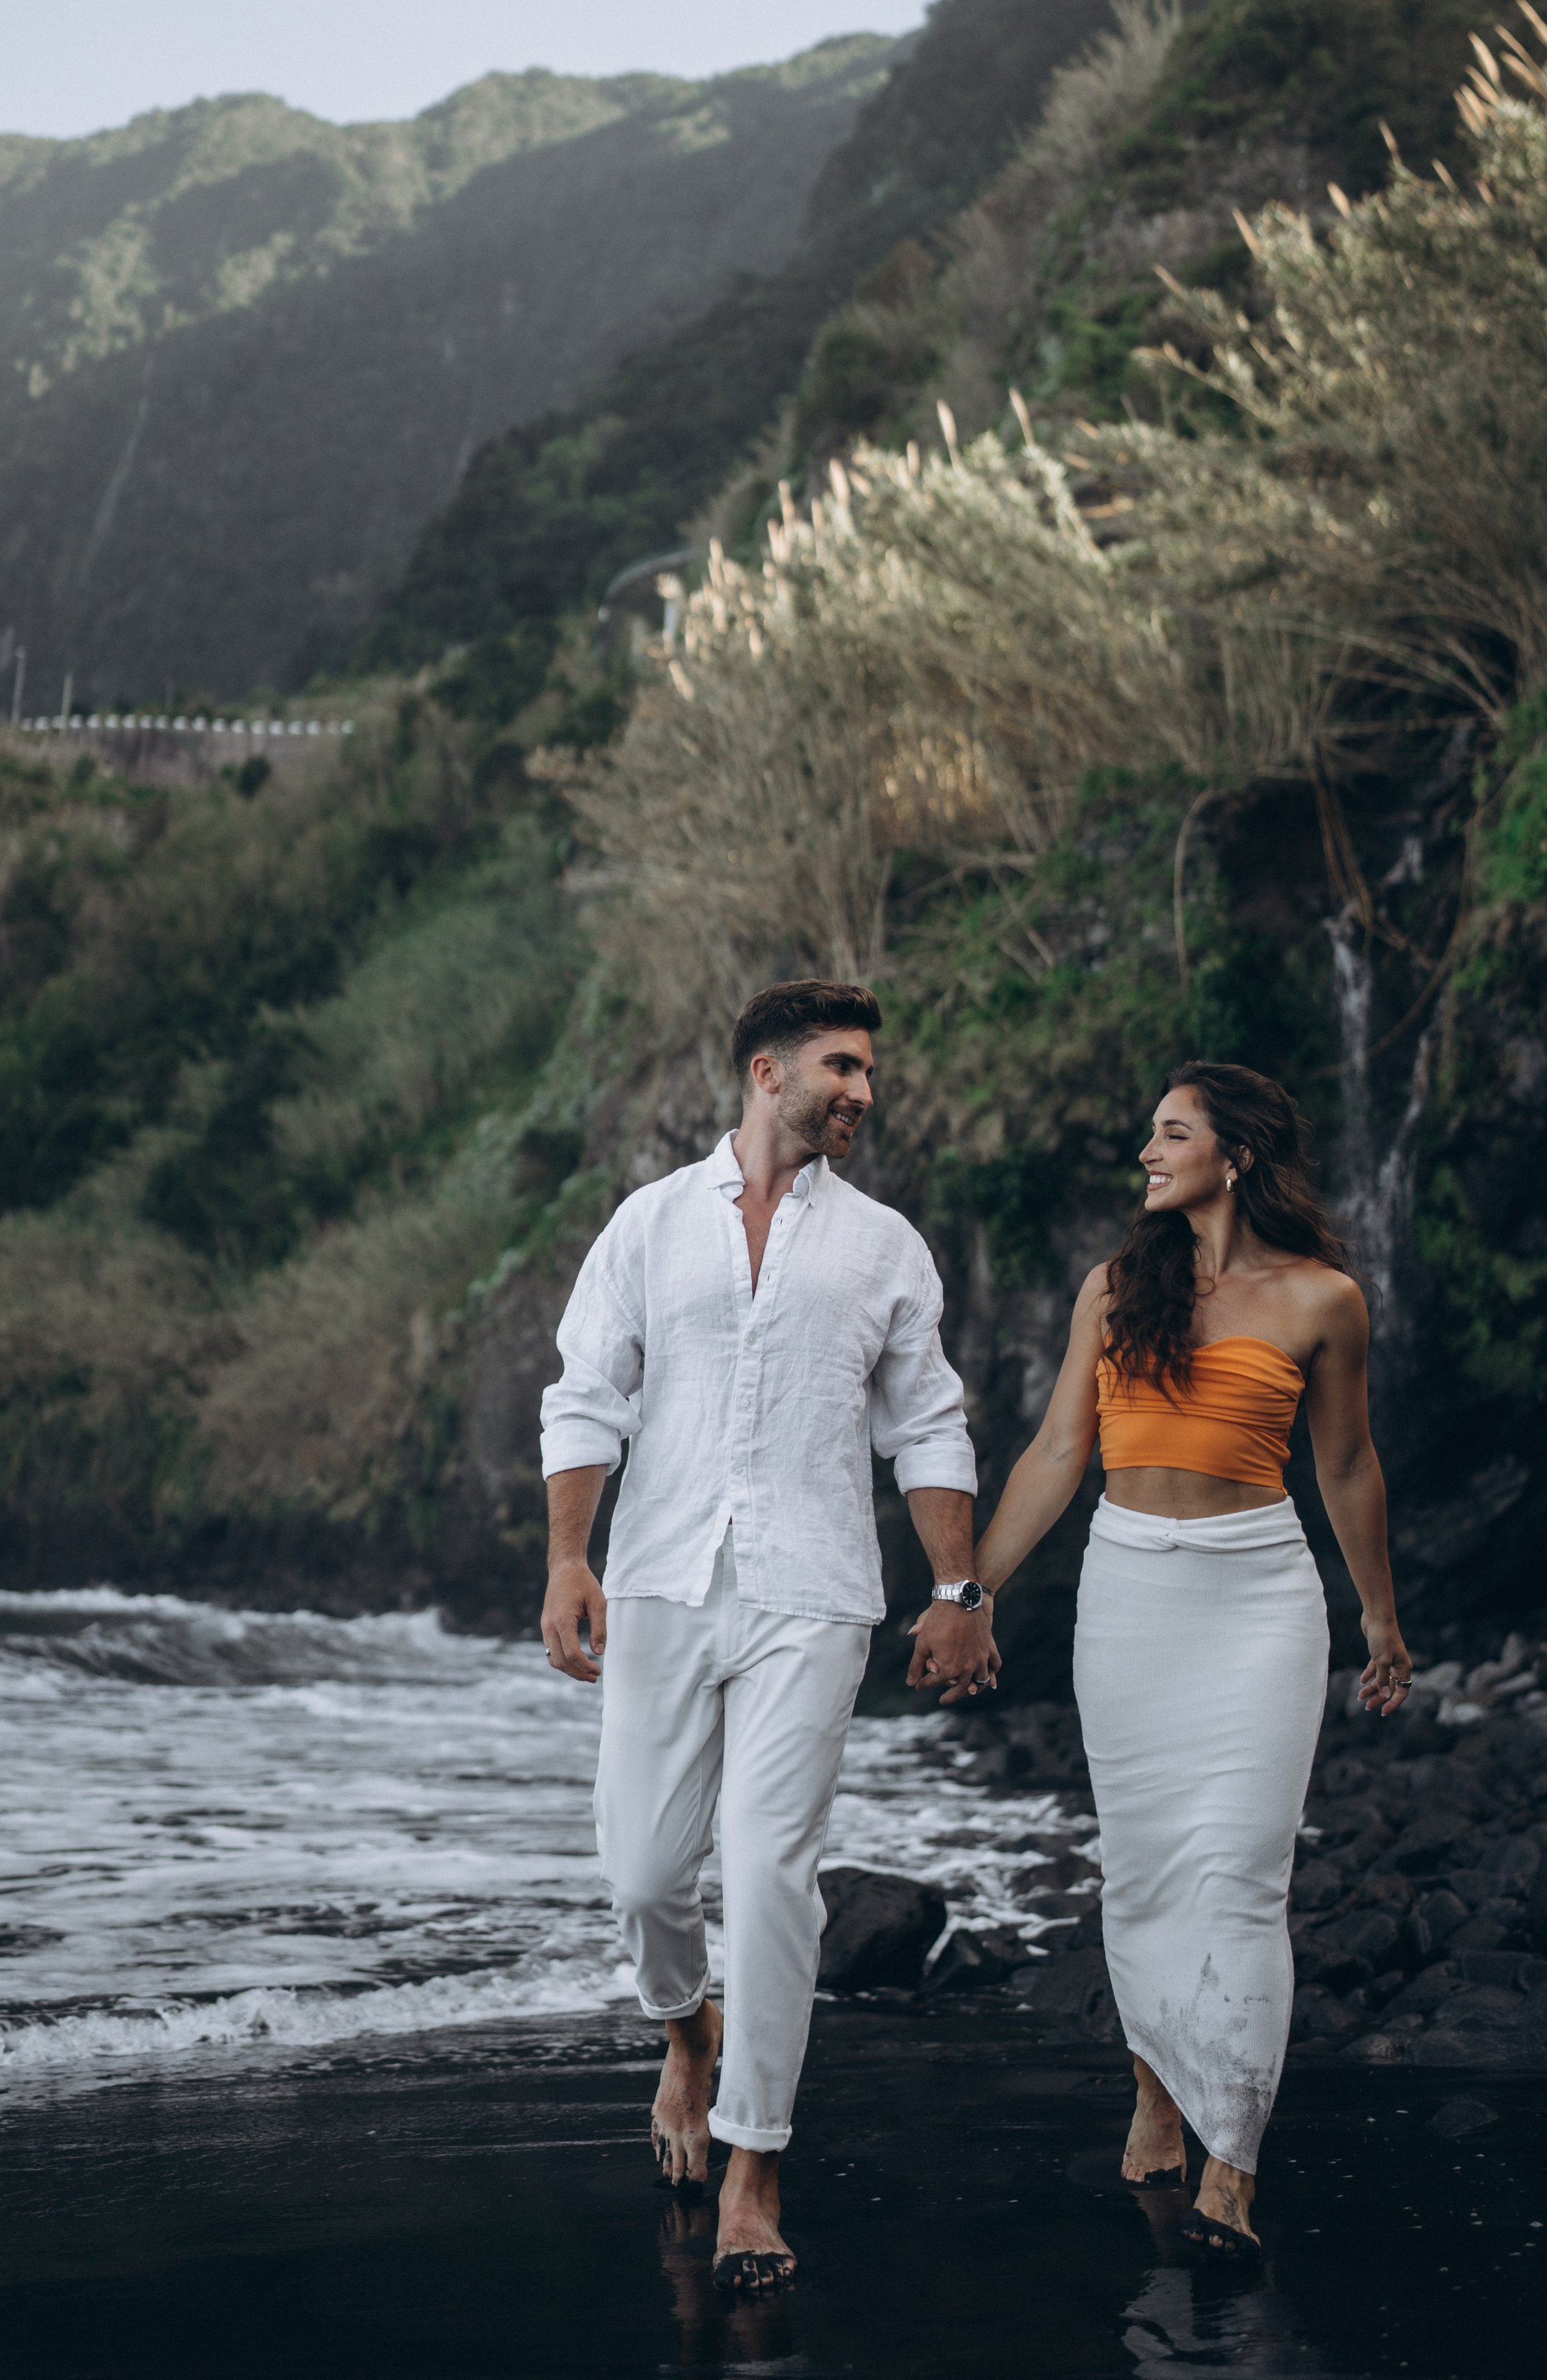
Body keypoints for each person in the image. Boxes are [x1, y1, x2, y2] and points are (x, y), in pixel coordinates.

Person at [538, 979, 997, 2294]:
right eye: (842, 1067)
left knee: (769, 1874)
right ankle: (687, 2033)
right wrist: (572, 1557)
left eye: (867, 1072)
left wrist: (956, 1591)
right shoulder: (647, 1226)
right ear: (765, 1072)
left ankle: (755, 2162)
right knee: (640, 1871)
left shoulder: (887, 1250)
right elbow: (588, 1397)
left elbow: (929, 1427)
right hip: (663, 1581)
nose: (863, 1091)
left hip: (814, 1593)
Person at [968, 1060, 1414, 2258]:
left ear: (1239, 1154)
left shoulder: (1324, 1299)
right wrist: (971, 1591)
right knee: (1152, 1867)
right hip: (1128, 1594)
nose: (1148, 1155)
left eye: (1172, 1135)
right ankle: (1159, 2092)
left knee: (1242, 1874)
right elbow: (1059, 1454)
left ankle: (1235, 2164)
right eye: (1149, 1136)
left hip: (1260, 1596)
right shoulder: (1114, 1288)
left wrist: (1378, 1615)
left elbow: (1348, 1467)